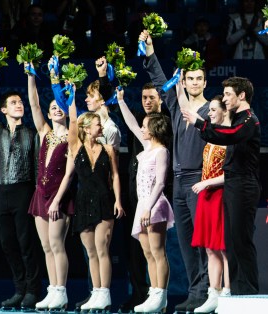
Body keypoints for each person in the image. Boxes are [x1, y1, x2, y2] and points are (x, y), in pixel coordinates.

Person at [139, 29, 210, 312]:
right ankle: (195, 291)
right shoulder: (176, 106)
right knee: (185, 243)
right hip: (178, 182)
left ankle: (207, 291)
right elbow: (159, 82)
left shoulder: (209, 111)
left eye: (198, 78)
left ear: (205, 82)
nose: (193, 82)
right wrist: (151, 53)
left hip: (199, 179)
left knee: (203, 241)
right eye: (189, 78)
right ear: (184, 80)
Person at [181, 76, 260, 296]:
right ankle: (235, 293)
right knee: (231, 242)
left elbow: (230, 136)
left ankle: (247, 293)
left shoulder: (248, 120)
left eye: (228, 94)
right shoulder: (238, 119)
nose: (224, 98)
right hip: (234, 186)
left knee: (240, 242)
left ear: (241, 95)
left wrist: (199, 123)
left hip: (244, 186)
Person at [0, 61, 41, 311]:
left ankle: (33, 291)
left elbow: (37, 167)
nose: (19, 105)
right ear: (3, 109)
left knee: (27, 244)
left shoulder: (31, 133)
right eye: (13, 102)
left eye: (20, 102)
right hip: (2, 192)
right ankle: (20, 289)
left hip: (24, 191)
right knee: (7, 244)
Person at [116, 87, 174, 313]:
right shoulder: (148, 145)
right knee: (147, 252)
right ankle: (153, 293)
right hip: (142, 205)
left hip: (155, 205)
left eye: (145, 125)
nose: (141, 128)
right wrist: (121, 101)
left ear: (154, 128)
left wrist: (148, 207)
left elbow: (160, 183)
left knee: (158, 252)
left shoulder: (161, 152)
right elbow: (131, 124)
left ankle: (162, 295)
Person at [68, 82, 125, 311]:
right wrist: (71, 96)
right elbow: (72, 121)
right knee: (90, 251)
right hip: (83, 202)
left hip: (104, 200)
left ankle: (105, 293)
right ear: (86, 127)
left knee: (102, 248)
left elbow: (116, 176)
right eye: (96, 123)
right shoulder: (75, 146)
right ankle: (96, 292)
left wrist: (118, 200)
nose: (100, 126)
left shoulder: (108, 149)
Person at [26, 65, 75, 311]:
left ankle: (62, 291)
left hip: (59, 197)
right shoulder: (45, 132)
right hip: (40, 194)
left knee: (57, 244)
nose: (56, 109)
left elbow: (68, 173)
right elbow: (34, 105)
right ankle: (53, 289)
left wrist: (57, 200)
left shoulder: (71, 137)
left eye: (60, 107)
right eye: (53, 107)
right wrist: (31, 76)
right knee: (46, 246)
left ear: (66, 112)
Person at [180, 95, 232, 313]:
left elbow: (233, 174)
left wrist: (207, 182)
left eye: (212, 110)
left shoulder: (231, 137)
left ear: (224, 111)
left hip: (220, 195)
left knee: (223, 247)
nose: (209, 113)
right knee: (210, 248)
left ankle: (228, 293)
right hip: (206, 196)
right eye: (208, 110)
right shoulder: (211, 135)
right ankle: (214, 293)